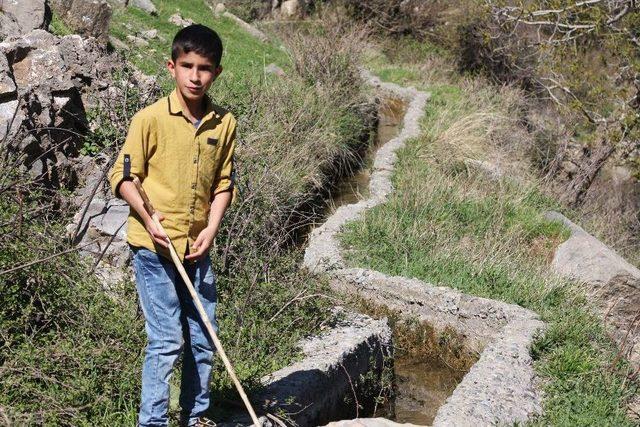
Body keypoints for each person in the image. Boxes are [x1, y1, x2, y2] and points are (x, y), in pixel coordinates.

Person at [108, 24, 236, 427]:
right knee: (166, 340)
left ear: (216, 72)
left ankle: (196, 417)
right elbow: (123, 177)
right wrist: (150, 219)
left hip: (197, 248)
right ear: (171, 66)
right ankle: (153, 422)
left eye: (205, 68)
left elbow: (224, 185)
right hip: (153, 245)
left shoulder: (225, 123)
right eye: (187, 66)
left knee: (203, 337)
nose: (195, 76)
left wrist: (211, 229)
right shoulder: (149, 119)